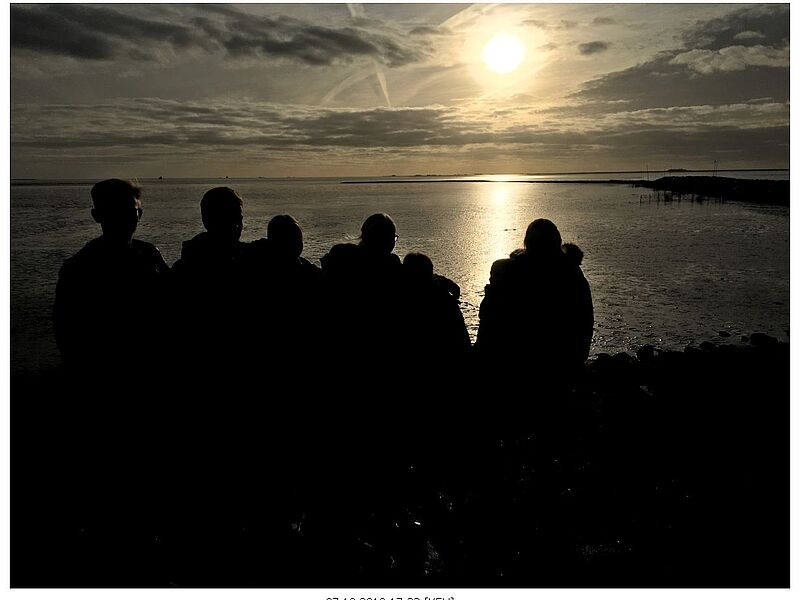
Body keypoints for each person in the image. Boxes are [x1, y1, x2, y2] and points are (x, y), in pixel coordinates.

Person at [53, 178, 169, 378]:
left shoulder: (150, 254)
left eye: (130, 211)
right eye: (114, 211)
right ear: (97, 215)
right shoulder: (79, 267)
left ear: (140, 214)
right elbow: (66, 331)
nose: (123, 218)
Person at [476, 218, 593, 375]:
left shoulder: (514, 273)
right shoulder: (573, 274)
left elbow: (492, 321)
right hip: (568, 359)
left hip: (542, 362)